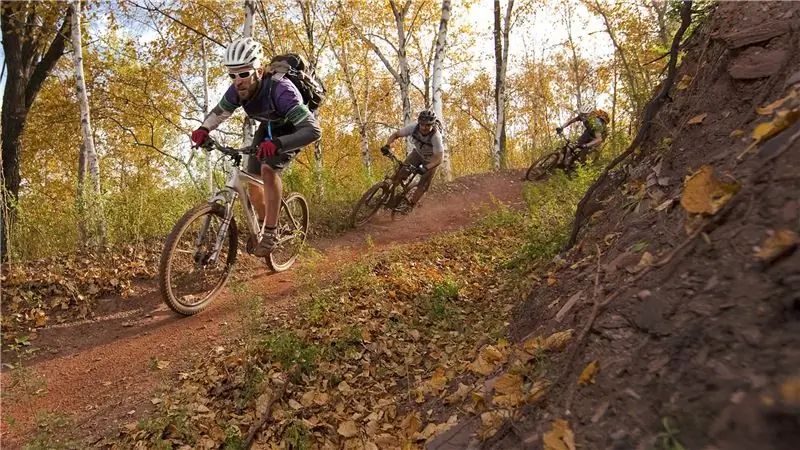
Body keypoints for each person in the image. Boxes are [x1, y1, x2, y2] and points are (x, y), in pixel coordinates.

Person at [190, 38, 321, 257]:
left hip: (293, 128)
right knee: (252, 179)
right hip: (269, 125)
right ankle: (263, 223)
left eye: (243, 74)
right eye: (232, 75)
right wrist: (204, 129)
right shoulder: (237, 90)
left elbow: (313, 131)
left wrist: (278, 144)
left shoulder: (282, 91)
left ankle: (271, 232)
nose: (237, 81)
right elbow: (220, 112)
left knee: (268, 169)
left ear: (258, 71)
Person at [380, 109, 444, 208]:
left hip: (431, 160)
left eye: (428, 125)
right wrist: (387, 145)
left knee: (423, 185)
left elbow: (439, 159)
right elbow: (396, 135)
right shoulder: (414, 127)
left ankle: (410, 205)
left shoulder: (436, 137)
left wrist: (426, 168)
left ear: (433, 124)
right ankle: (385, 196)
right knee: (399, 174)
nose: (424, 127)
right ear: (419, 122)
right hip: (417, 154)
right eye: (422, 124)